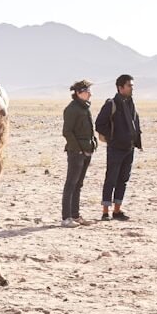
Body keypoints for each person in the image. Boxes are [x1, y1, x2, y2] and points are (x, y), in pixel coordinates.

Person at [95, 74, 142, 221]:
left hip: (129, 148)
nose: (132, 88)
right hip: (116, 148)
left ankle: (117, 210)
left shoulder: (130, 103)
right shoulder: (111, 104)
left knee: (123, 180)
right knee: (111, 179)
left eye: (132, 86)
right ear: (120, 87)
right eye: (129, 86)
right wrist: (113, 137)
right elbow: (99, 124)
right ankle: (105, 212)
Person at [61, 79, 97, 227]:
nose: (90, 94)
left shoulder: (84, 107)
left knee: (78, 184)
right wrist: (79, 149)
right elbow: (67, 132)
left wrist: (93, 143)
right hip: (76, 152)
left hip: (87, 150)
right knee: (71, 184)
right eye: (87, 91)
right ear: (78, 93)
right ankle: (66, 217)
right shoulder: (72, 109)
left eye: (89, 91)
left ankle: (75, 215)